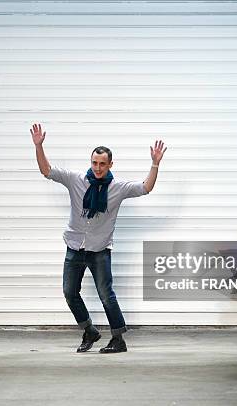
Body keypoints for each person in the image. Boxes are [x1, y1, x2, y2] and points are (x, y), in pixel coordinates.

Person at [30, 123, 166, 353]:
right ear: (90, 162)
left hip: (99, 250)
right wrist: (39, 146)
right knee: (69, 292)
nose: (98, 168)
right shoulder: (76, 180)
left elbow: (146, 187)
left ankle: (118, 339)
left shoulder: (118, 188)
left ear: (110, 164)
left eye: (103, 164)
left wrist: (155, 164)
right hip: (74, 248)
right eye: (94, 163)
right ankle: (89, 331)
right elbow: (47, 171)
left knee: (106, 294)